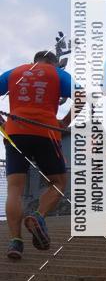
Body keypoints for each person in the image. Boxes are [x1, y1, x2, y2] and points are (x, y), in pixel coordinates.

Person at [0, 50, 72, 258]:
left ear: (35, 61)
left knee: (15, 189)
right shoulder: (57, 74)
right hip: (46, 131)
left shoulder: (15, 72)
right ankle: (38, 216)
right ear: (54, 63)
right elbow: (82, 96)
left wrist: (4, 124)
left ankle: (16, 242)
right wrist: (65, 123)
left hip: (15, 132)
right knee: (58, 182)